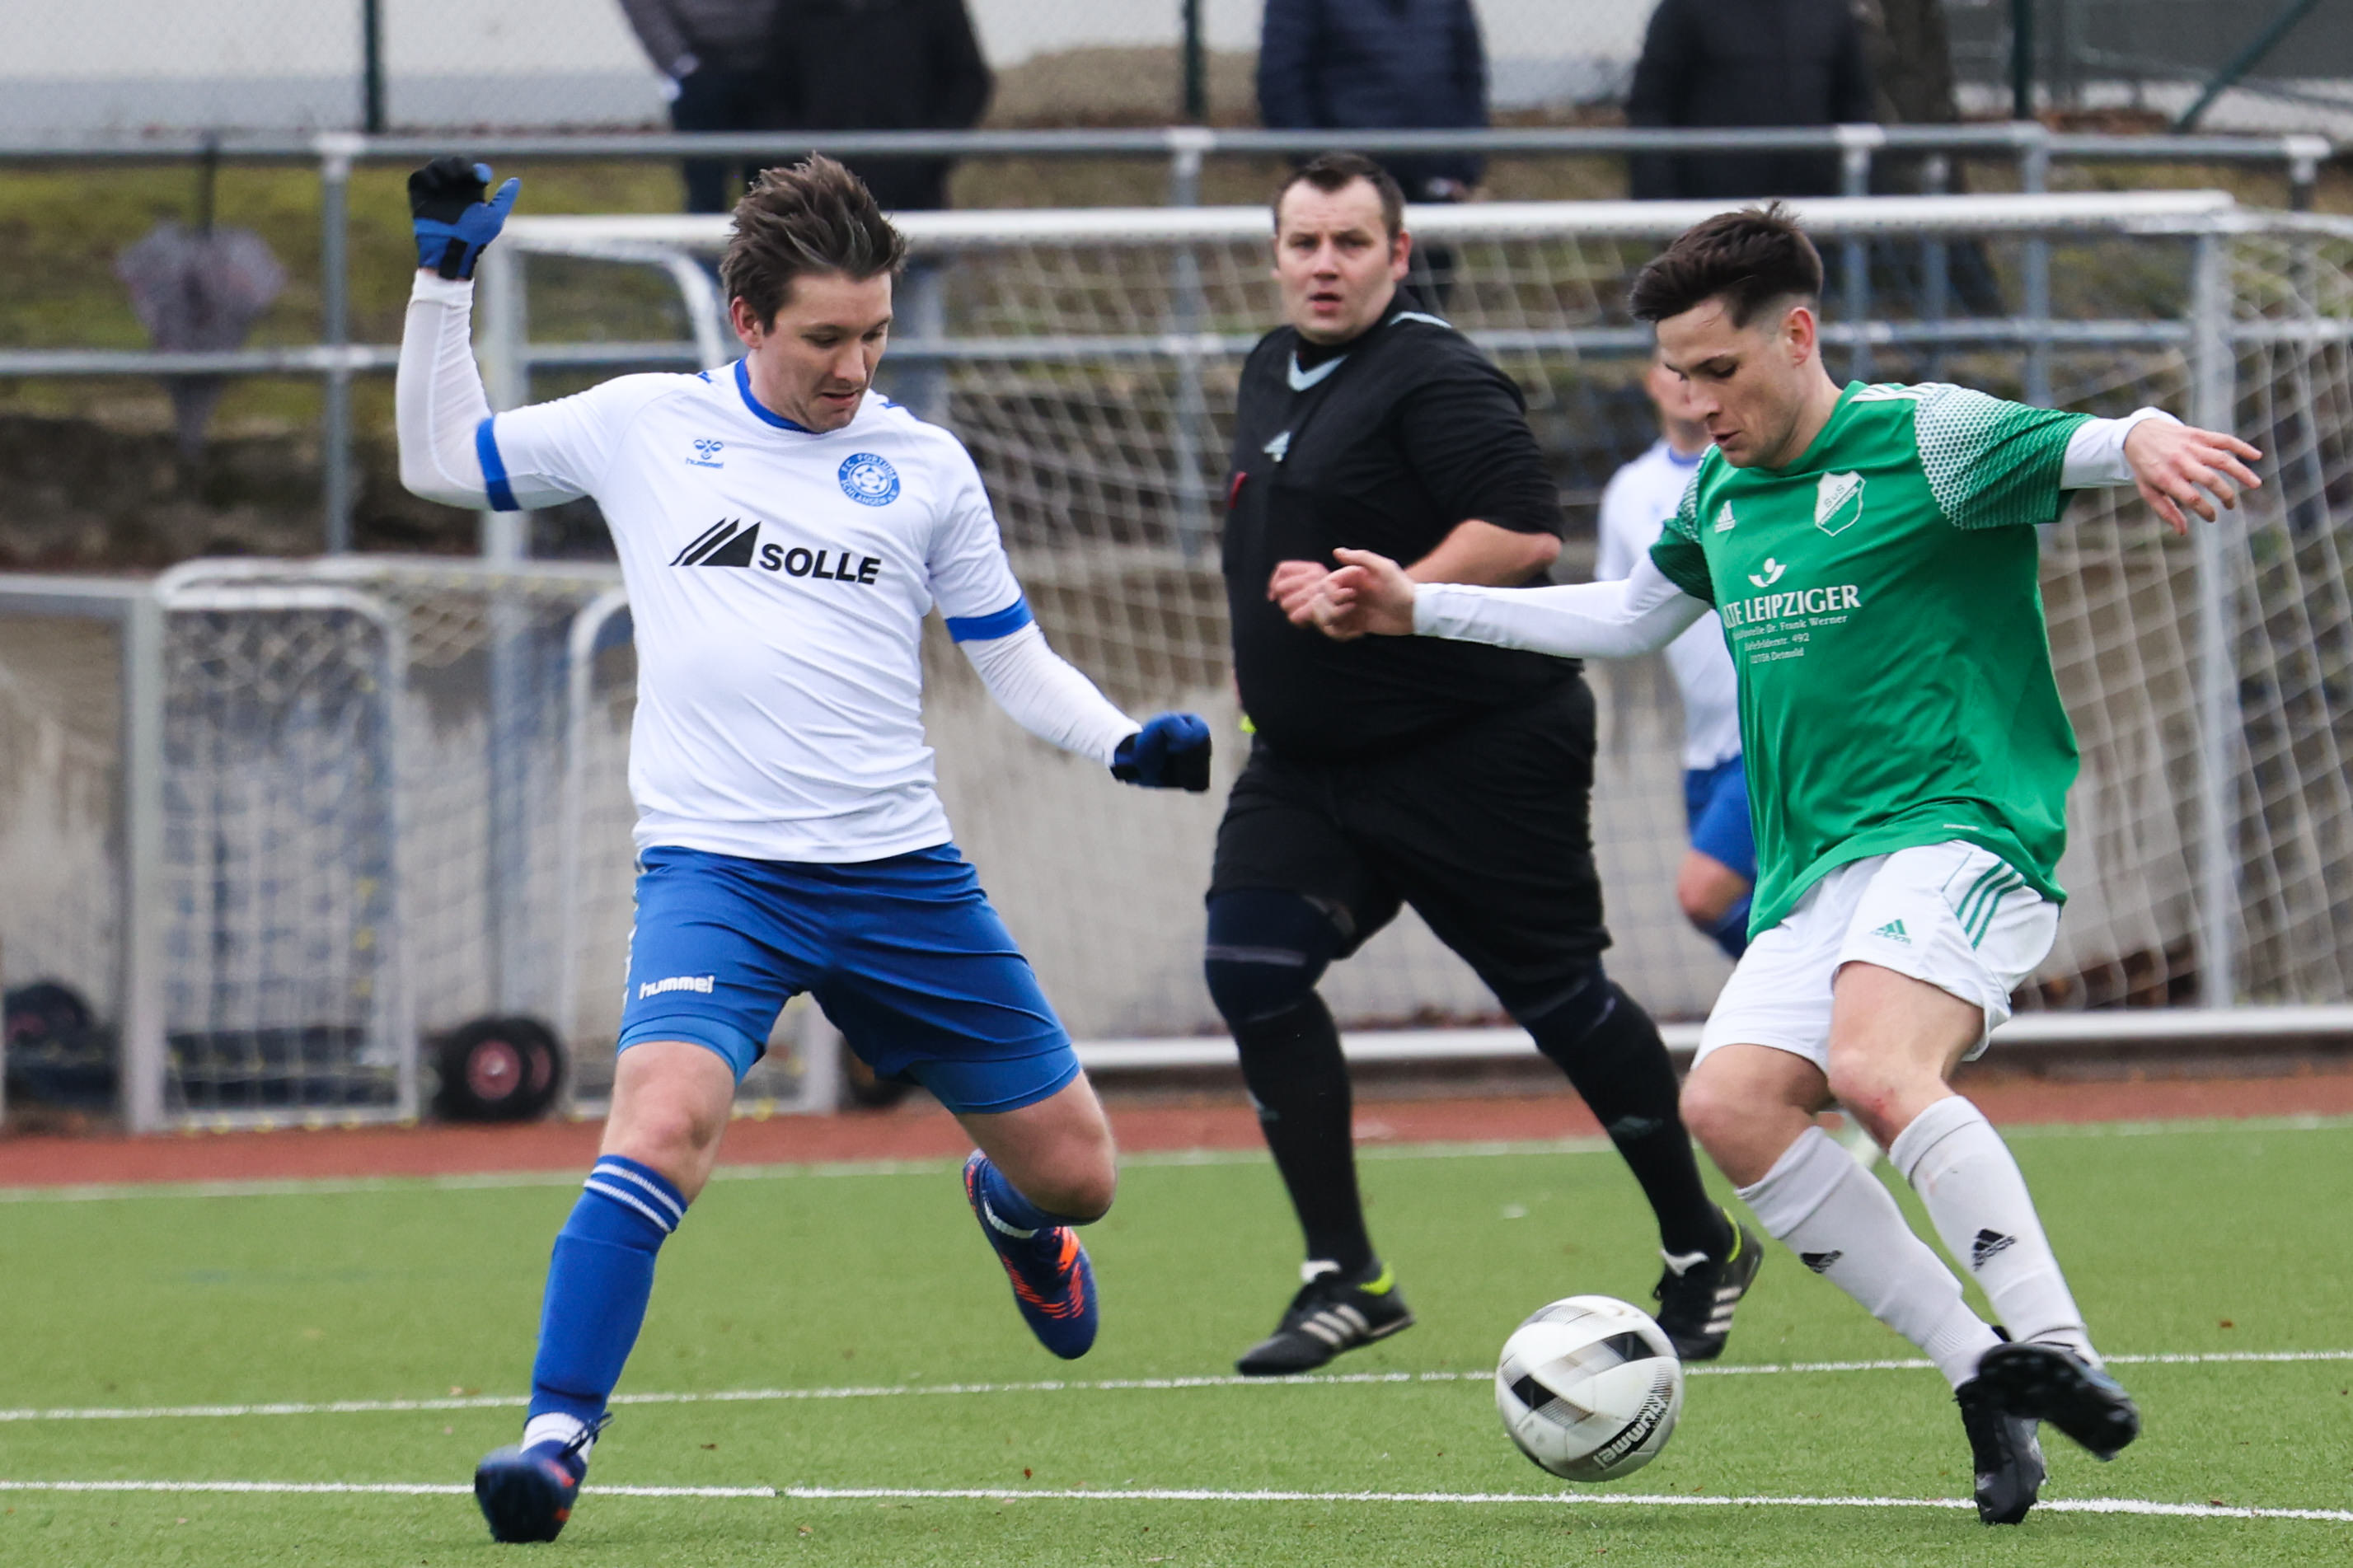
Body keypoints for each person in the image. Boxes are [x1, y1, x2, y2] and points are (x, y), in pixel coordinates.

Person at [1307, 204, 2263, 1525]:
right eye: (1674, 374)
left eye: (1717, 369)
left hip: (1957, 827)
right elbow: (1627, 617)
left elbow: (2086, 442)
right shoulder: (1717, 491)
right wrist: (1417, 604)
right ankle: (1978, 1369)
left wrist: (2146, 433)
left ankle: (2057, 1346)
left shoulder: (1923, 437)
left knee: (1873, 1066)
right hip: (1814, 869)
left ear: (1796, 334)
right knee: (1730, 1105)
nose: (1694, 401)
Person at [396, 154, 1212, 1543]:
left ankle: (1012, 1216)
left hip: (900, 875)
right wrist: (443, 280)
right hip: (717, 873)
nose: (855, 365)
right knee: (660, 1125)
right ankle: (553, 1439)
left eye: (875, 333)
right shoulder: (646, 424)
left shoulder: (926, 466)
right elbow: (438, 461)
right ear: (746, 318)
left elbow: (1013, 659)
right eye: (826, 336)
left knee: (1080, 1175)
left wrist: (1122, 740)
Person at [1208, 151, 1760, 1380]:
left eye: (1351, 242)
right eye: (1302, 241)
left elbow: (1520, 531)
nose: (1323, 264)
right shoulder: (1268, 365)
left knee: (1557, 998)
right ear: (1276, 253)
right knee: (1249, 968)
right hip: (1307, 763)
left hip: (1472, 750)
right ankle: (1346, 1275)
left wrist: (1392, 590)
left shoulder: (1435, 371)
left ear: (1397, 254)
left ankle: (1697, 1240)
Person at [1595, 350, 1752, 962]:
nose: (1688, 385)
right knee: (1767, 908)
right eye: (1673, 369)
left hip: (1769, 735)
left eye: (1704, 368)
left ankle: (1847, 996)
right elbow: (1615, 609)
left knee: (1702, 894)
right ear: (1649, 383)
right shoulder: (1629, 491)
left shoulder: (1754, 469)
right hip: (1702, 745)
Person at [1256, 0, 1487, 303]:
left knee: (1423, 310)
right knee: (1350, 310)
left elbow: (1468, 74)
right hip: (1347, 189)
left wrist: (1464, 166)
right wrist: (1325, 172)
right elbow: (1282, 82)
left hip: (1430, 185)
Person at [1625, 0, 1873, 203]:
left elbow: (1855, 104)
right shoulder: (1686, 8)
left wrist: (1871, 195)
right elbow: (1651, 105)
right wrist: (1659, 199)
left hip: (1811, 207)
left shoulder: (1829, 9)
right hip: (1717, 211)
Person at [619, 0, 784, 214]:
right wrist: (681, 65)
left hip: (774, 71)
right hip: (699, 73)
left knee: (773, 193)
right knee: (705, 192)